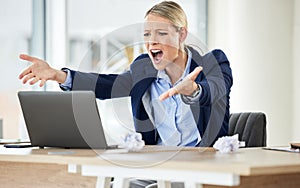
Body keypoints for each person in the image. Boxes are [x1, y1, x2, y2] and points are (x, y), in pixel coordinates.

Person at [19, 1, 232, 148]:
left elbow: (215, 89)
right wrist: (58, 75)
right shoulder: (143, 68)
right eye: (147, 34)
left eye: (162, 33)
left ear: (182, 34)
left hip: (205, 166)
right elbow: (107, 85)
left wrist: (194, 91)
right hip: (157, 166)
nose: (152, 42)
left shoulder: (213, 62)